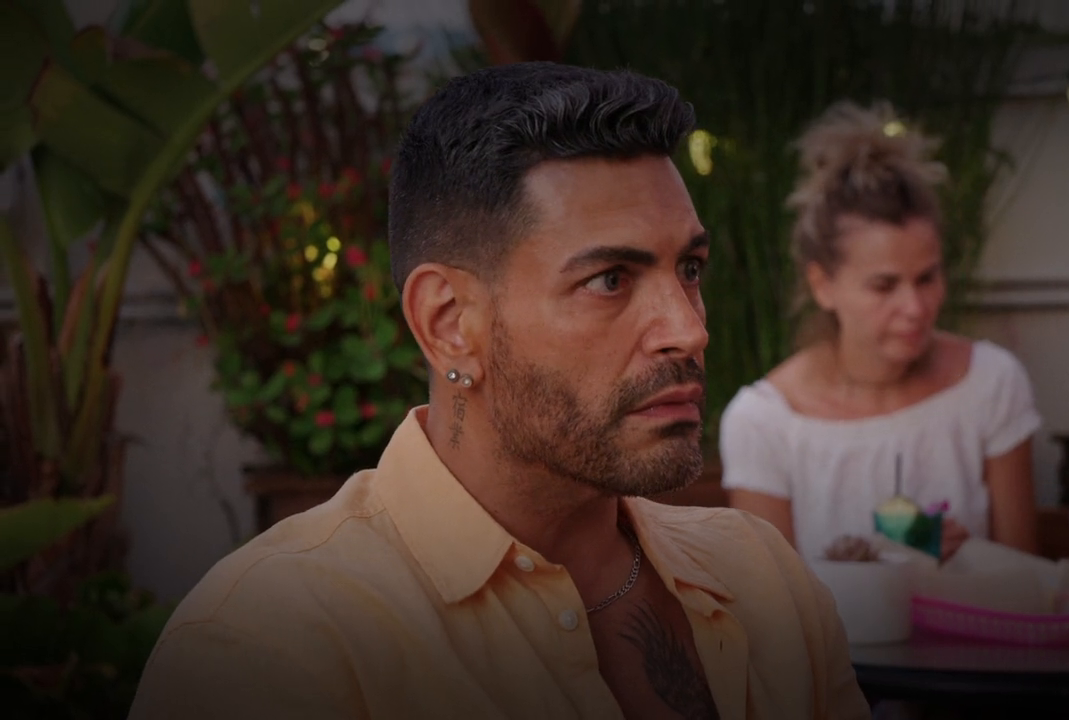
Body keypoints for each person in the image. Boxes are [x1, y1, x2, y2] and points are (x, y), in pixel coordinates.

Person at [128, 63, 870, 720]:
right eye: (610, 280)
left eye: (690, 270)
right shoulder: (271, 644)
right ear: (449, 324)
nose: (688, 329)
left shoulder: (763, 579)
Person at [719, 101, 1041, 564]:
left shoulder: (991, 383)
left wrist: (967, 559)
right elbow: (773, 600)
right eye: (884, 286)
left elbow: (1025, 577)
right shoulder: (766, 422)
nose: (915, 308)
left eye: (927, 278)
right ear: (823, 285)